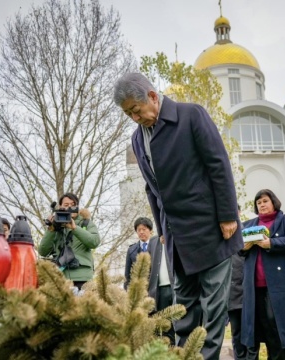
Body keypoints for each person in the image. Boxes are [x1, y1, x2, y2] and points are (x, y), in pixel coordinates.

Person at [113, 73, 243, 360]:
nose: (135, 117)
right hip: (175, 236)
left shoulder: (190, 115)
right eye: (128, 114)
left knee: (212, 307)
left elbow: (218, 164)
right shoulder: (137, 139)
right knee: (183, 307)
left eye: (136, 109)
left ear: (152, 97)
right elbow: (152, 189)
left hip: (211, 228)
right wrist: (161, 228)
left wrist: (227, 215)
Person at [239, 189, 285, 359]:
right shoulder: (249, 225)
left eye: (265, 201)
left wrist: (271, 243)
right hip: (256, 287)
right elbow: (237, 247)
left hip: (281, 286)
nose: (262, 205)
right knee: (265, 326)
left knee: (278, 324)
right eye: (259, 202)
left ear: (273, 202)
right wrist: (243, 248)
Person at [124, 216, 175, 345]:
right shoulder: (132, 250)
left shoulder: (159, 243)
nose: (141, 232)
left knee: (166, 320)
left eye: (144, 229)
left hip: (157, 288)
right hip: (142, 291)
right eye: (138, 230)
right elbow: (128, 275)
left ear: (150, 230)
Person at [38, 192, 101, 290]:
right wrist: (51, 229)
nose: (70, 208)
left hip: (82, 278)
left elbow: (94, 242)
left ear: (77, 207)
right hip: (59, 279)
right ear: (60, 207)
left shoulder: (86, 223)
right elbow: (43, 251)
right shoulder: (56, 226)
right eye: (66, 205)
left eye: (73, 205)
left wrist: (74, 228)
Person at [228, 205, 260, 360]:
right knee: (237, 333)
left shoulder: (249, 231)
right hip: (231, 293)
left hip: (250, 289)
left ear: (239, 212)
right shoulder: (220, 233)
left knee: (252, 331)